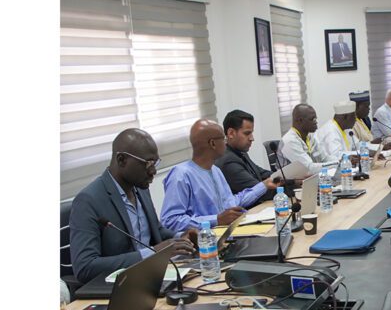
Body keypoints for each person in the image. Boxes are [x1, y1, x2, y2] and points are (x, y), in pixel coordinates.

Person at [69, 128, 196, 284]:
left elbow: (157, 231)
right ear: (122, 160)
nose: (153, 171)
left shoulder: (140, 188)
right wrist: (151, 253)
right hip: (121, 286)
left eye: (155, 163)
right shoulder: (88, 200)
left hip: (155, 275)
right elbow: (85, 267)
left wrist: (181, 237)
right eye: (148, 163)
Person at [160, 119, 269, 231]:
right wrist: (216, 219)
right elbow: (170, 221)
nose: (226, 143)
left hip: (227, 234)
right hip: (205, 239)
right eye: (223, 139)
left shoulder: (215, 170)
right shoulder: (181, 175)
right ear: (212, 143)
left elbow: (230, 203)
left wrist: (264, 185)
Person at [215, 109, 281, 205]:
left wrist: (287, 176)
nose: (252, 138)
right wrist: (292, 186)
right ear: (231, 133)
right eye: (247, 133)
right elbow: (261, 192)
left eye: (251, 133)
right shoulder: (228, 161)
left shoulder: (239, 152)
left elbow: (261, 173)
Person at [278, 103, 334, 176]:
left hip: (310, 179)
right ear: (300, 120)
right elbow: (309, 168)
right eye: (312, 119)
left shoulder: (309, 138)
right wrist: (336, 164)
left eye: (316, 119)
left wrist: (341, 161)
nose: (316, 122)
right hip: (291, 181)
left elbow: (325, 158)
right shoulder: (289, 141)